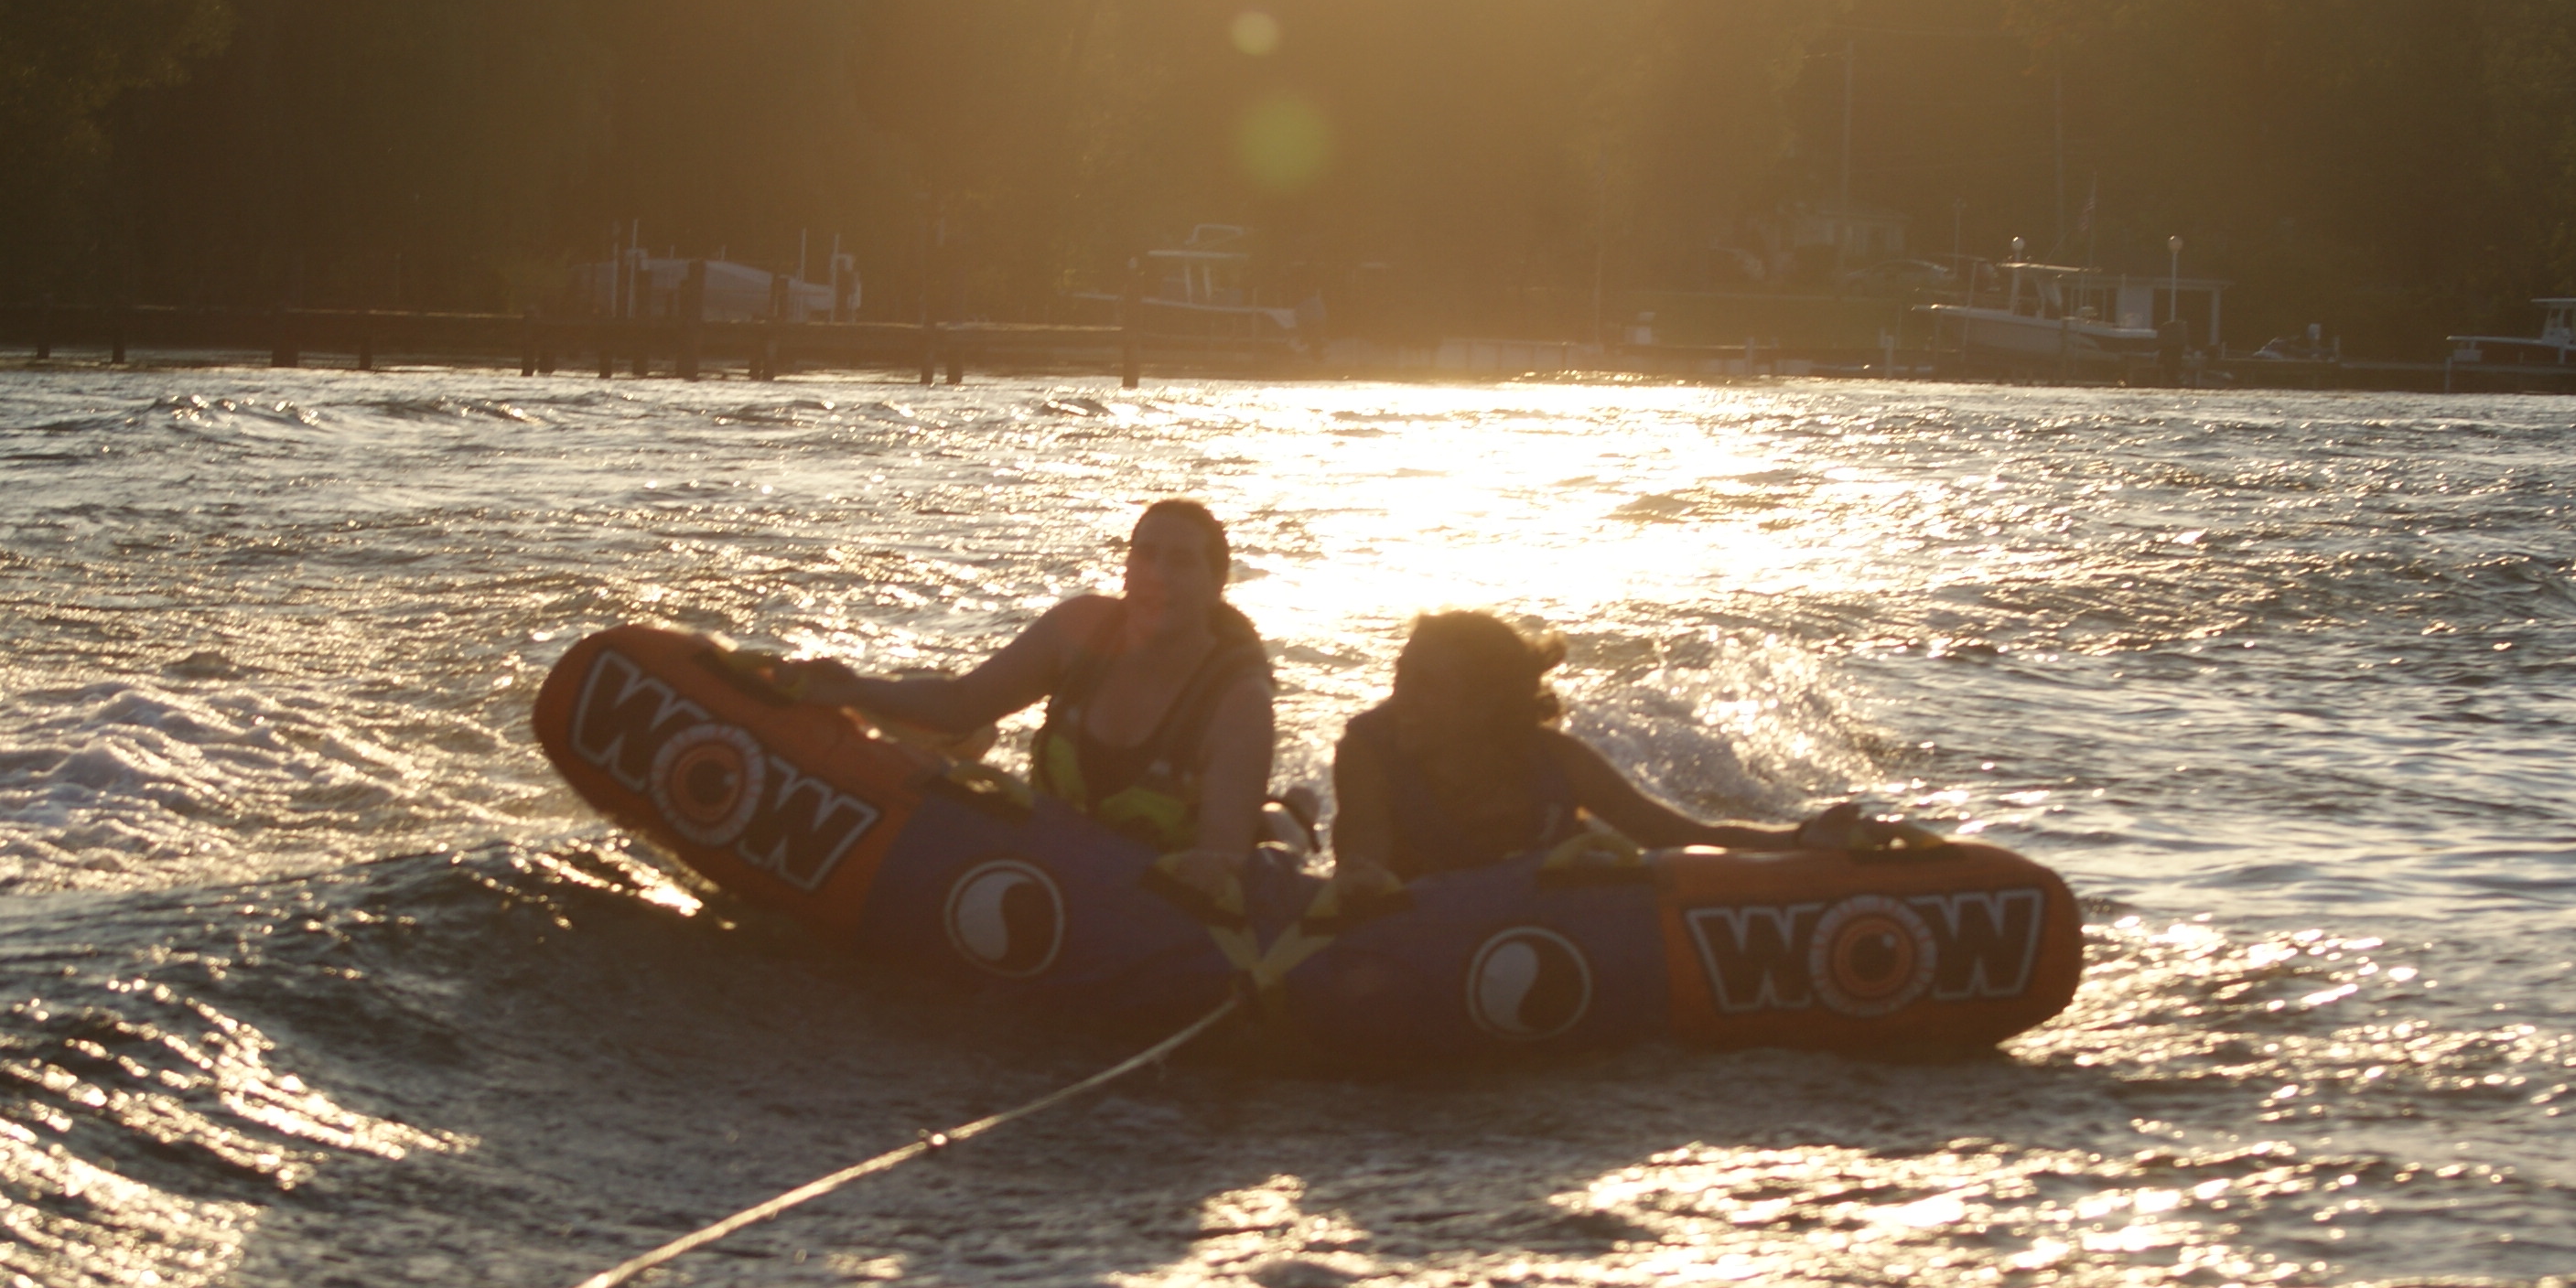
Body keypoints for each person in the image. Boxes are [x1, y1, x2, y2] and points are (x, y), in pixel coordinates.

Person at [790, 500, 1277, 888]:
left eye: (1182, 561)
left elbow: (1221, 868)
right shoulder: (1080, 631)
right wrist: (851, 689)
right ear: (1126, 568)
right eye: (1145, 555)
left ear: (1217, 586)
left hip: (1140, 908)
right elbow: (961, 704)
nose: (1159, 576)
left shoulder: (1239, 703)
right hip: (1043, 866)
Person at [1331, 609, 1892, 892]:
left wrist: (1802, 840)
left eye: (1429, 685)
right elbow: (1364, 859)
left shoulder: (1554, 762)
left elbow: (1678, 836)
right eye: (1403, 674)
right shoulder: (1370, 754)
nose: (1402, 697)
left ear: (1483, 705)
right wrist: (1359, 881)